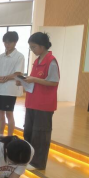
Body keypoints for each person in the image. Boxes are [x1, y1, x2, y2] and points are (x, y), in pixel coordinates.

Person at [20, 32, 60, 170]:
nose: (32, 50)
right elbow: (34, 81)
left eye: (34, 47)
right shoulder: (37, 61)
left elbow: (54, 82)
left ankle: (38, 163)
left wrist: (34, 79)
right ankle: (28, 158)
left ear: (42, 46)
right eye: (31, 47)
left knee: (41, 134)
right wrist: (23, 81)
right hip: (32, 102)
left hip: (44, 105)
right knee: (29, 131)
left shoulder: (51, 61)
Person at [0, 31, 25, 137]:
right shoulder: (1, 56)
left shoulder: (19, 56)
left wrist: (4, 78)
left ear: (15, 42)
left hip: (10, 90)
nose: (7, 44)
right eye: (5, 42)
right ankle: (0, 136)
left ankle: (9, 137)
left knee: (9, 113)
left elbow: (18, 73)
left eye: (9, 42)